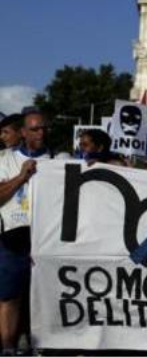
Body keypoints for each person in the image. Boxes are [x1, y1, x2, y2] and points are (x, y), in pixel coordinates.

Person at [0, 111, 51, 357]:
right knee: (10, 296)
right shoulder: (4, 159)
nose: (41, 133)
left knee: (43, 295)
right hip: (13, 236)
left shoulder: (58, 161)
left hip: (47, 238)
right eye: (34, 129)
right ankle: (9, 348)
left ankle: (37, 345)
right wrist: (21, 177)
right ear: (23, 132)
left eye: (44, 129)